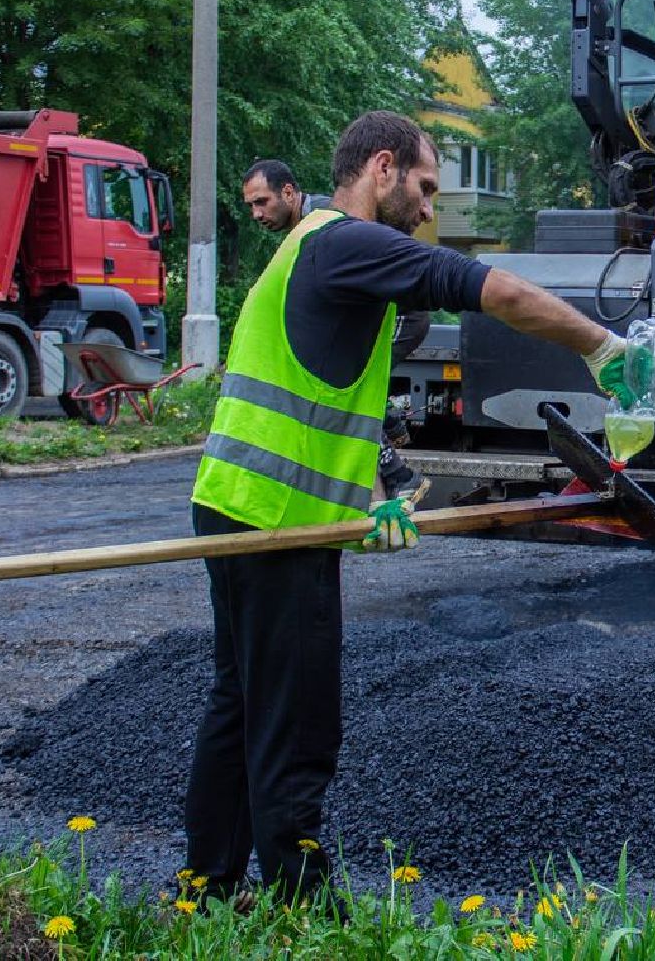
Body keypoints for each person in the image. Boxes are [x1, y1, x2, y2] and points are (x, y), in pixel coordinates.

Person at [186, 112, 630, 902]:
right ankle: (300, 906)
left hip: (237, 505)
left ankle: (205, 887)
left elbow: (322, 398)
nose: (429, 209)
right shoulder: (347, 242)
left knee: (242, 702)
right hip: (273, 525)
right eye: (425, 187)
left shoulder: (312, 249)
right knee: (296, 719)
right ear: (381, 168)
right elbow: (494, 290)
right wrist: (603, 349)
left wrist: (381, 495)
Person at [243, 157, 429, 501]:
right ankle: (391, 428)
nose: (256, 213)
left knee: (344, 401)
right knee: (346, 397)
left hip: (402, 312)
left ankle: (399, 475)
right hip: (379, 310)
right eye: (251, 206)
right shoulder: (308, 224)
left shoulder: (325, 219)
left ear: (288, 192)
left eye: (261, 202)